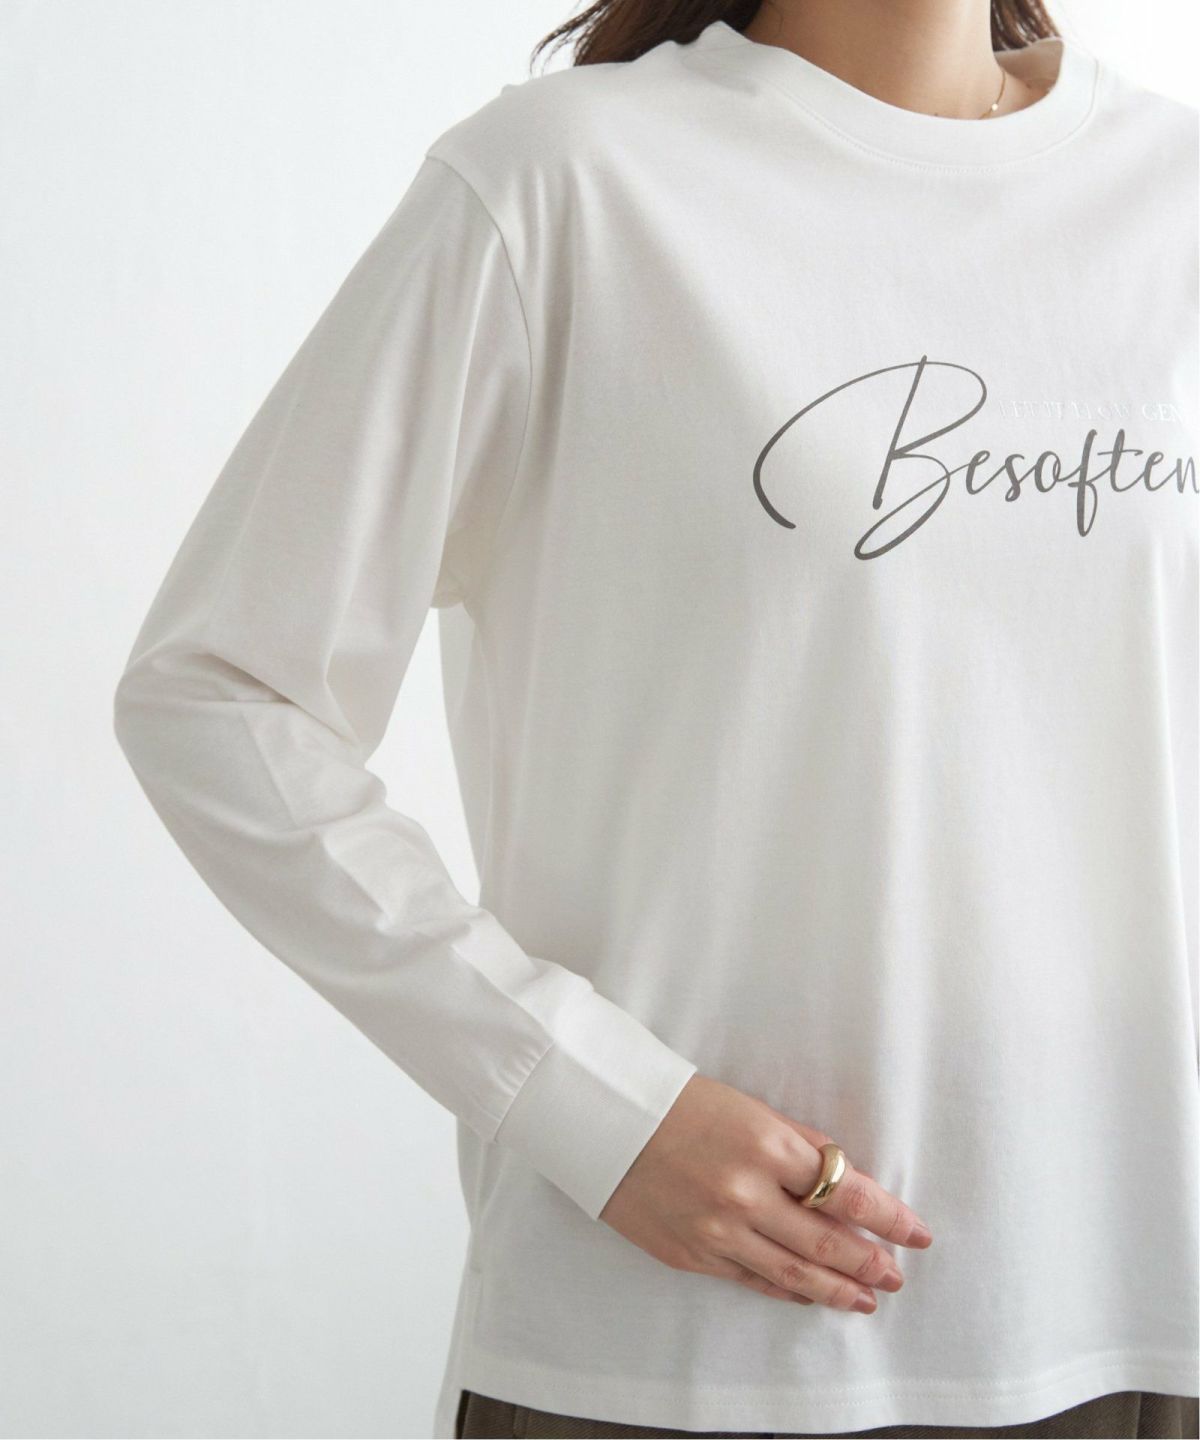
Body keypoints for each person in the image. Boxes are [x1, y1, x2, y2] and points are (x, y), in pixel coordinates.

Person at [112, 0, 1200, 1436]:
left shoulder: (1170, 194)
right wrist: (587, 1104)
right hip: (680, 1341)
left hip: (1134, 1310)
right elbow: (219, 691)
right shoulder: (562, 186)